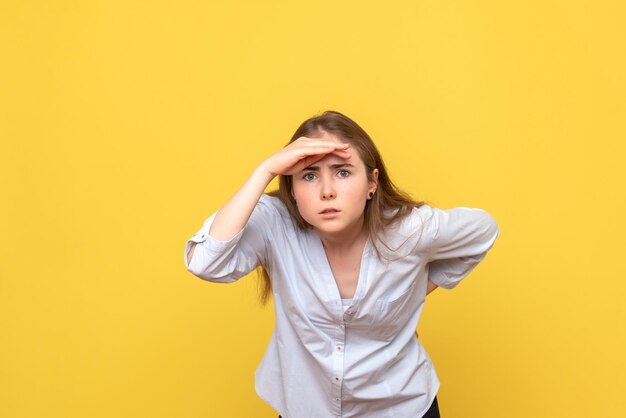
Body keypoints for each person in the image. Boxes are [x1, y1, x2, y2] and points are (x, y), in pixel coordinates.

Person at [184, 110, 499, 418]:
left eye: (343, 172)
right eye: (309, 176)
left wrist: (414, 290)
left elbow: (484, 231)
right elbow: (205, 263)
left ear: (372, 183)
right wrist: (265, 170)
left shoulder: (410, 231)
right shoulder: (275, 223)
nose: (327, 191)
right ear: (291, 190)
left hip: (400, 406)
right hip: (306, 407)